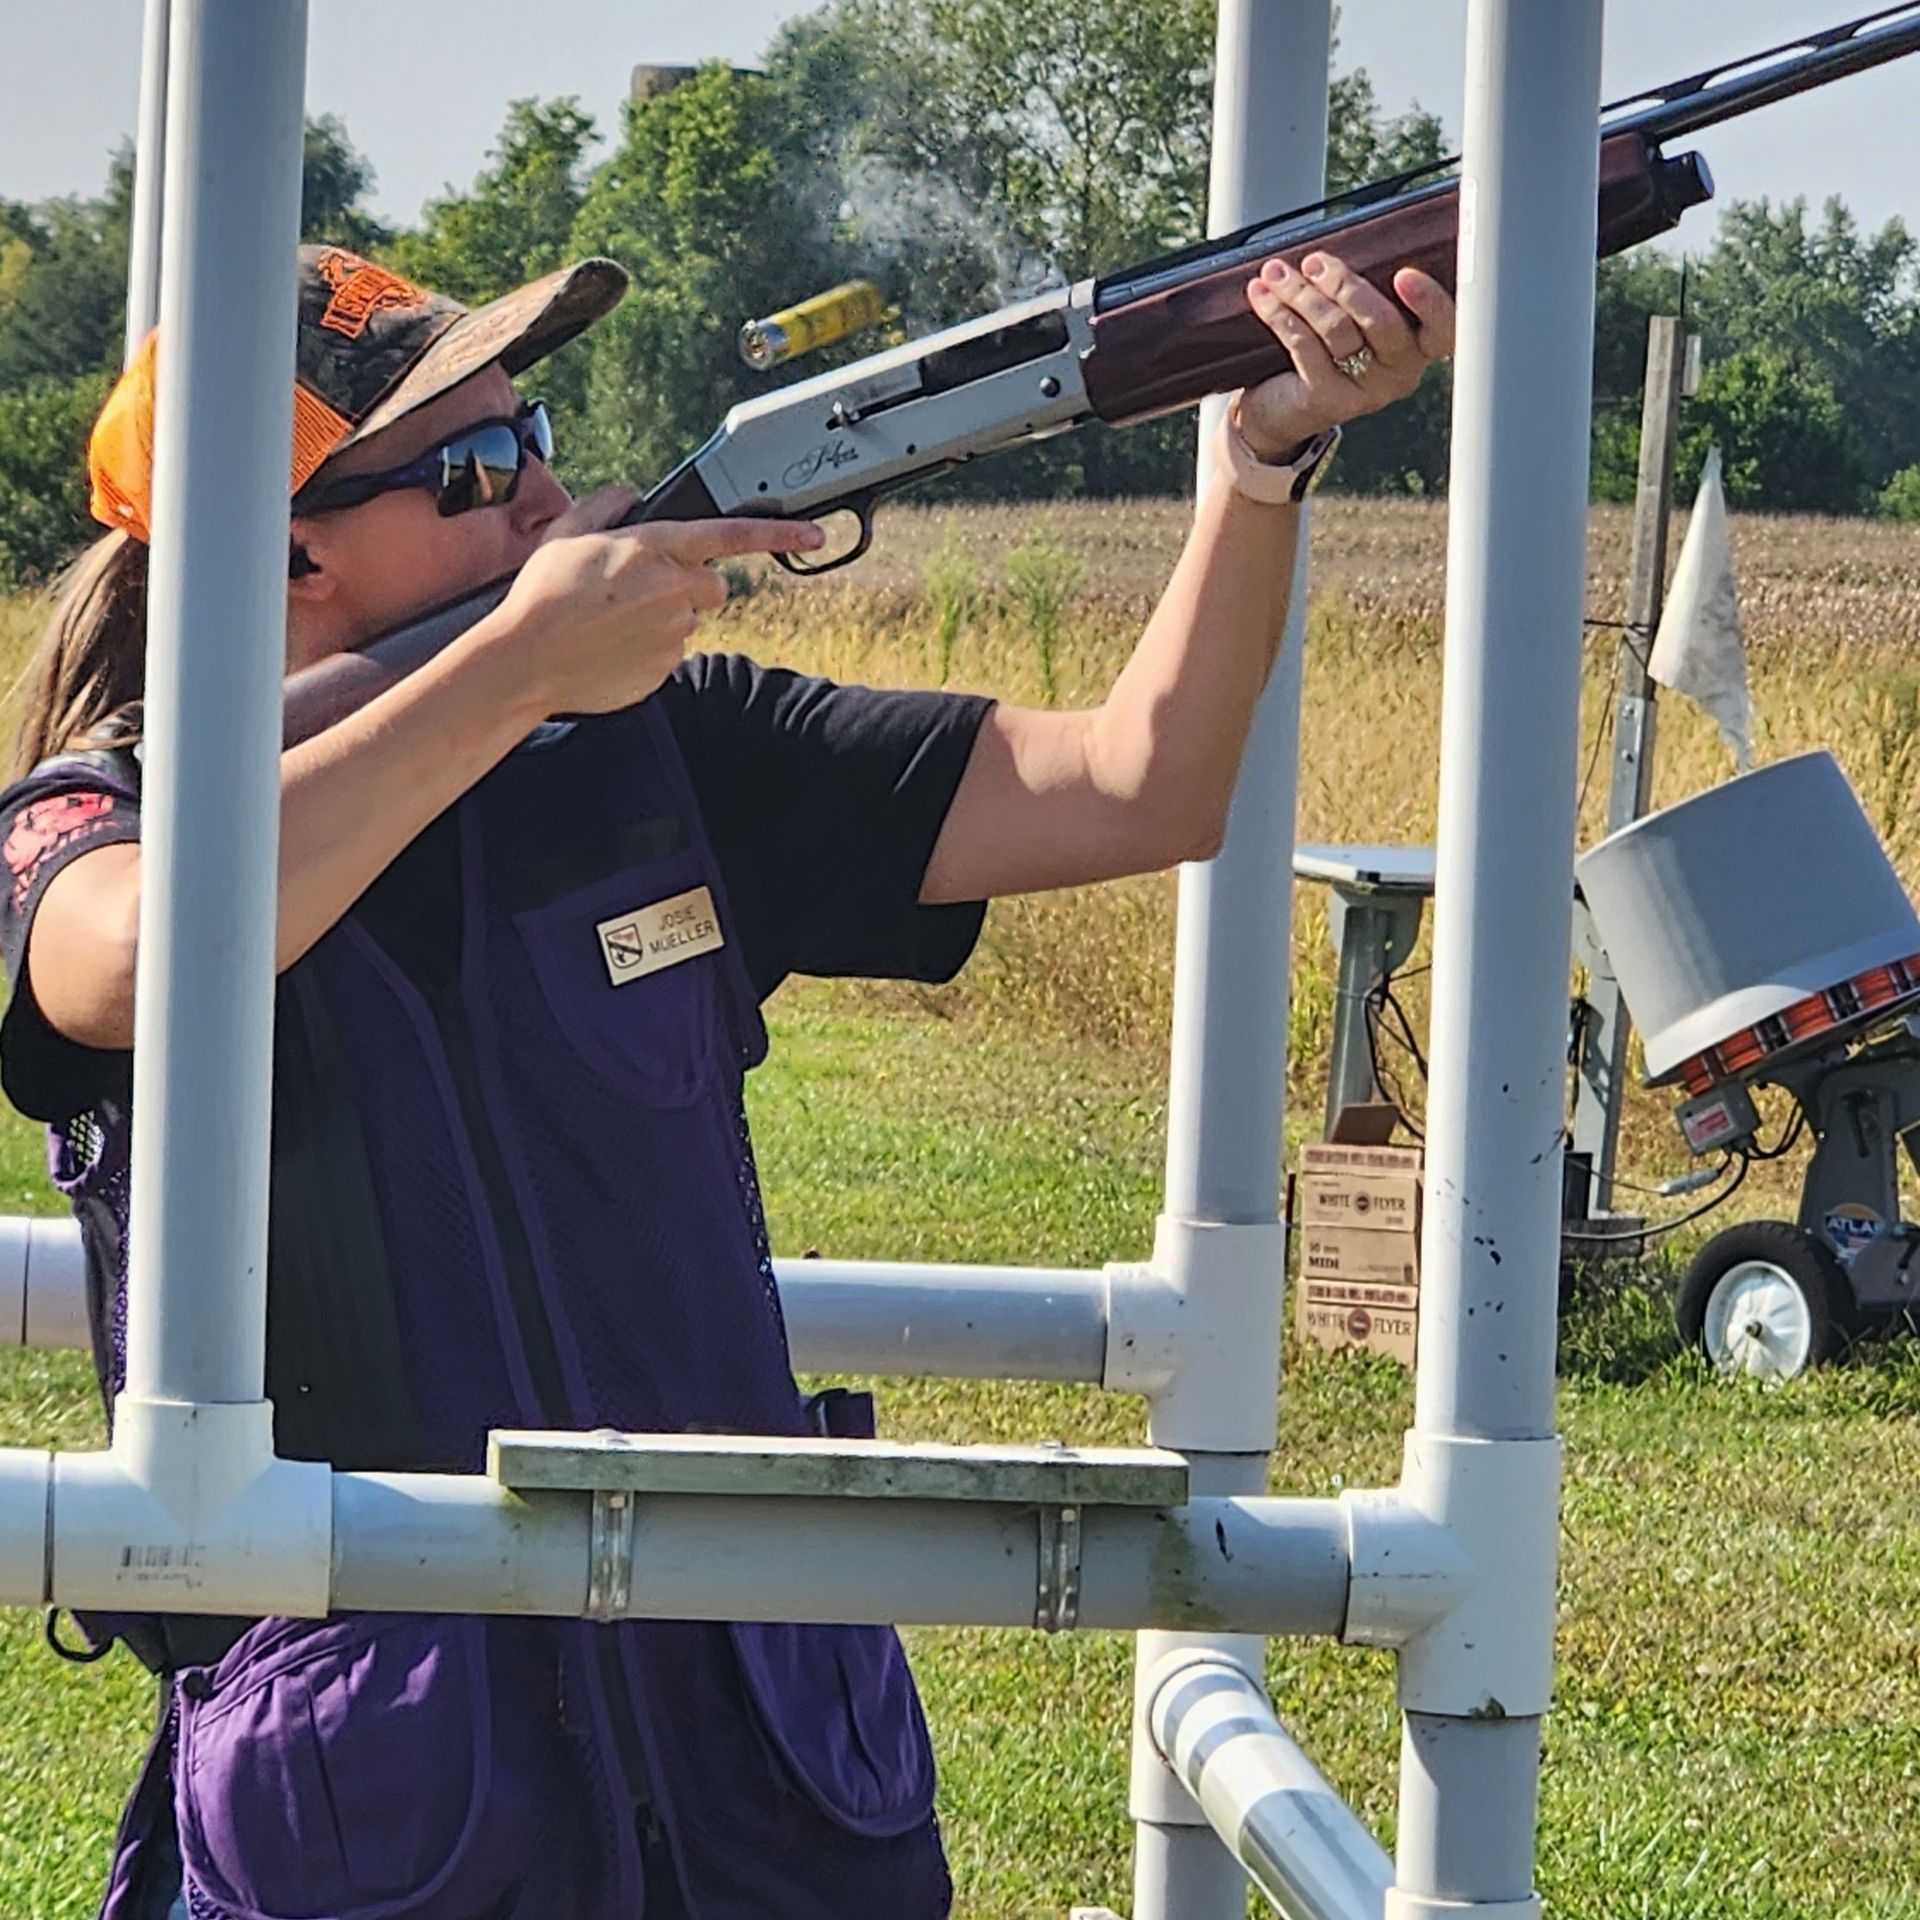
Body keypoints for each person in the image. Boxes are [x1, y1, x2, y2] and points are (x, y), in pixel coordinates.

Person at [1, 241, 1452, 1920]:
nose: (545, 492)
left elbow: (1140, 785)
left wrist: (1257, 464)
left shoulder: (672, 746)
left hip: (764, 1767)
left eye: (529, 429)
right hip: (390, 1809)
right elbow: (129, 966)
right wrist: (516, 670)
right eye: (476, 470)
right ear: (289, 549)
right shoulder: (98, 810)